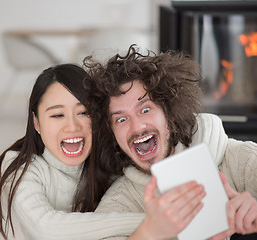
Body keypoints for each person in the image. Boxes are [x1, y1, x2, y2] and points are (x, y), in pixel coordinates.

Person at [81, 45, 257, 240]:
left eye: (145, 109)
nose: (137, 127)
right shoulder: (119, 204)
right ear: (111, 133)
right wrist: (147, 233)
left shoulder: (240, 160)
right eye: (121, 119)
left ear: (170, 114)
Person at [0, 63, 149, 240]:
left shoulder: (110, 158)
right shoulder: (19, 165)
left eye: (83, 112)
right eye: (58, 115)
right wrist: (152, 222)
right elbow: (45, 228)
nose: (72, 126)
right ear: (36, 122)